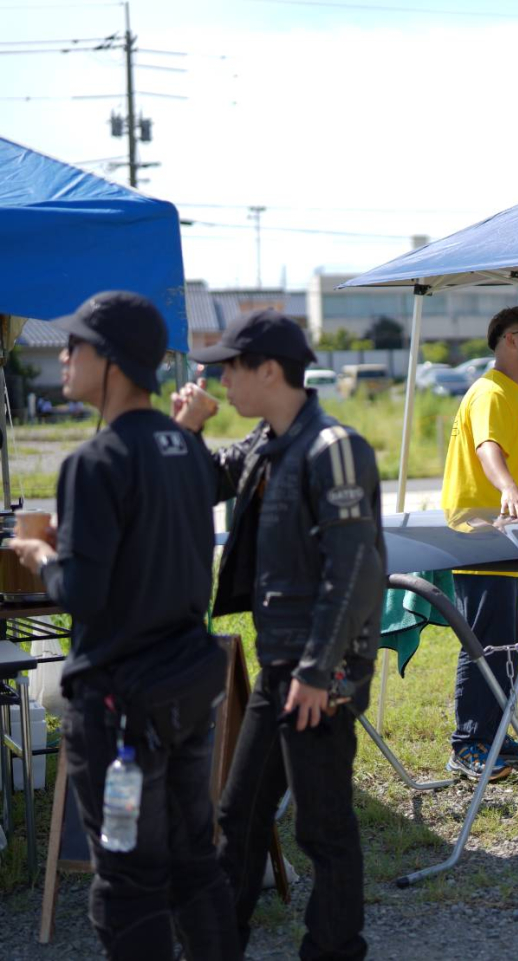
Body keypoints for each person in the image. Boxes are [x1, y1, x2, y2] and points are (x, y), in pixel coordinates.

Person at [11, 291, 238, 960]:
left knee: (128, 884)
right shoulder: (188, 450)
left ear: (110, 360)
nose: (63, 356)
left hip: (118, 712)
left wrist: (40, 555)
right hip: (187, 691)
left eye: (74, 345)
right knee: (195, 861)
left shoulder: (94, 462)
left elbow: (82, 594)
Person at [177, 309, 385, 958]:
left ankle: (334, 948)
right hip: (280, 667)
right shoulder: (266, 444)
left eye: (230, 368)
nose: (221, 380)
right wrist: (188, 430)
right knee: (238, 814)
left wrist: (321, 671)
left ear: (269, 370)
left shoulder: (333, 447)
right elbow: (201, 484)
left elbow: (355, 570)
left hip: (321, 670)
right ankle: (216, 945)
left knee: (323, 827)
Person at [439, 305, 518, 780]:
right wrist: (508, 487)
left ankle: (495, 734)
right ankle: (468, 744)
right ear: (510, 340)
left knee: (505, 640)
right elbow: (488, 449)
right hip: (477, 531)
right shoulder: (491, 391)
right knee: (483, 639)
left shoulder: (513, 393)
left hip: (498, 529)